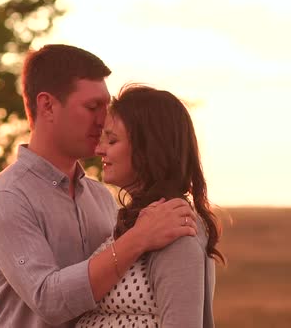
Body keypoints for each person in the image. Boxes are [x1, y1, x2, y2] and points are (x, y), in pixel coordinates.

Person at [0, 44, 199, 328]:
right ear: (48, 106)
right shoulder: (8, 199)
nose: (104, 120)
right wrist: (139, 237)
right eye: (93, 107)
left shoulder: (101, 197)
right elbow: (49, 301)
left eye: (106, 106)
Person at [76, 84, 225, 328]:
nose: (99, 149)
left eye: (112, 141)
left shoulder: (175, 230)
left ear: (148, 148)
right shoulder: (140, 222)